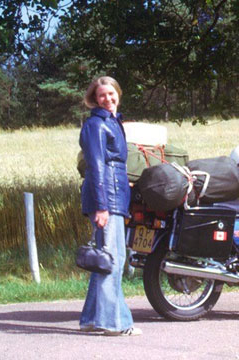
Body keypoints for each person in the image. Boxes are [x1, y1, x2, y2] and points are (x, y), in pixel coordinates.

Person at [78, 76, 141, 336]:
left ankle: (92, 319)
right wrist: (101, 207)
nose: (108, 99)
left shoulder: (113, 122)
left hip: (116, 197)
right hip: (107, 200)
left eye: (111, 93)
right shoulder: (95, 125)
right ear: (94, 98)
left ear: (118, 94)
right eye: (102, 95)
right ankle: (116, 323)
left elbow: (114, 165)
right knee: (113, 260)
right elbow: (96, 167)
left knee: (105, 259)